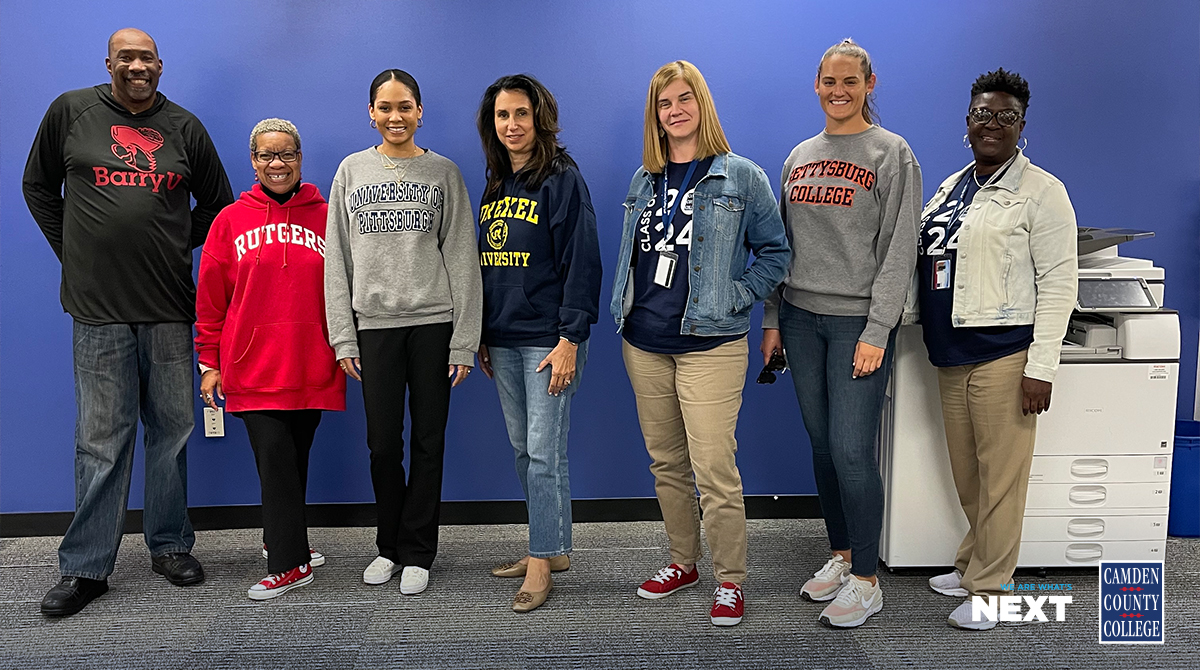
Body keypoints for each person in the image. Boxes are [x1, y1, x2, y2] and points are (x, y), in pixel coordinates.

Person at [22, 28, 233, 617]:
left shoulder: (185, 127)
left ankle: (169, 546)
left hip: (168, 305)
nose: (136, 65)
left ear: (160, 66)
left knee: (172, 433)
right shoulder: (72, 112)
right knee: (100, 441)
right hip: (96, 307)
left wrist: (172, 242)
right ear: (109, 62)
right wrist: (74, 246)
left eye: (146, 57)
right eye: (126, 57)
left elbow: (219, 204)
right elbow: (36, 185)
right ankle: (86, 567)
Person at [612, 61, 790, 627]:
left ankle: (730, 579)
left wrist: (737, 295)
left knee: (714, 466)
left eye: (685, 99)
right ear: (656, 115)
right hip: (644, 340)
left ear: (702, 105)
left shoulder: (740, 176)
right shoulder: (645, 178)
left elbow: (777, 253)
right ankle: (682, 561)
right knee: (666, 463)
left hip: (710, 342)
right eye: (665, 103)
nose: (675, 110)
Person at [905, 69, 1077, 630]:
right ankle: (972, 562)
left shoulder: (1041, 192)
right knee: (970, 474)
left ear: (1021, 125)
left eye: (1005, 116)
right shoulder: (952, 187)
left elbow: (1058, 283)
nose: (991, 124)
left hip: (1004, 352)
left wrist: (1041, 367)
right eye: (982, 113)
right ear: (967, 122)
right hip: (950, 351)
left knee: (1001, 479)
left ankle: (992, 590)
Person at [761, 39, 921, 628]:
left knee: (853, 451)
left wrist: (879, 328)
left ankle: (867, 580)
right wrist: (773, 318)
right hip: (801, 318)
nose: (838, 91)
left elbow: (901, 247)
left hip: (859, 322)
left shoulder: (891, 153)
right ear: (816, 85)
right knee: (824, 446)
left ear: (869, 85)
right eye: (829, 81)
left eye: (850, 82)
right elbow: (782, 247)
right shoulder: (799, 156)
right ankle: (841, 553)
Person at [324, 69, 482, 596]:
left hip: (434, 325)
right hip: (376, 329)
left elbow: (463, 258)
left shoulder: (444, 174)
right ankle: (388, 546)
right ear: (371, 112)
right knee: (382, 445)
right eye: (385, 107)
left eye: (405, 107)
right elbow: (337, 261)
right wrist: (343, 336)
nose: (395, 117)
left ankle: (419, 551)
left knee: (429, 442)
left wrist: (464, 339)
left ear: (420, 112)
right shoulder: (351, 171)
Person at [195, 118, 347, 600]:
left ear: (300, 158)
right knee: (276, 458)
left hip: (312, 362)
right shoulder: (229, 221)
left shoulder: (328, 215)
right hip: (251, 365)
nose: (276, 164)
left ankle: (282, 536)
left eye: (286, 155)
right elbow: (211, 297)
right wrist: (209, 361)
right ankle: (289, 561)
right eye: (266, 156)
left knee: (292, 460)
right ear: (253, 161)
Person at [473, 74, 602, 613]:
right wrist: (481, 333)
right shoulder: (497, 182)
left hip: (548, 340)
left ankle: (541, 559)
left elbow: (582, 261)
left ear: (539, 117)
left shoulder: (562, 179)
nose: (512, 125)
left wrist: (571, 336)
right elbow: (486, 265)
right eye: (503, 116)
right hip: (502, 340)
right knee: (528, 451)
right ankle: (554, 546)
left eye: (520, 114)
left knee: (545, 454)